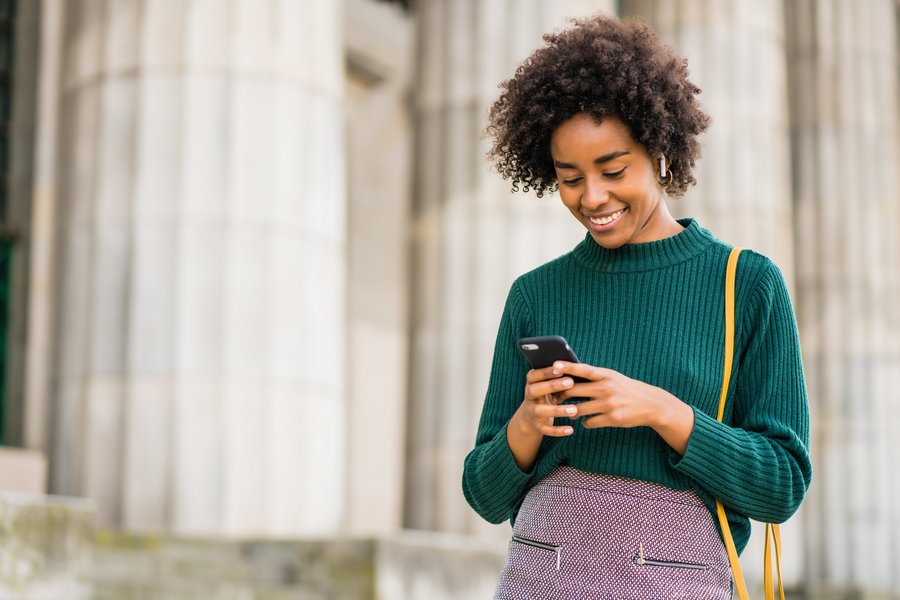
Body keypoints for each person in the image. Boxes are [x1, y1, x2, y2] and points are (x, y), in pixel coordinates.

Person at [461, 14, 812, 599]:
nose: (592, 197)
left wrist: (662, 412)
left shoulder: (746, 284)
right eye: (570, 178)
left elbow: (782, 485)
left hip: (679, 579)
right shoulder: (535, 294)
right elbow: (484, 495)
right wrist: (527, 424)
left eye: (613, 170)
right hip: (540, 576)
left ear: (661, 152)